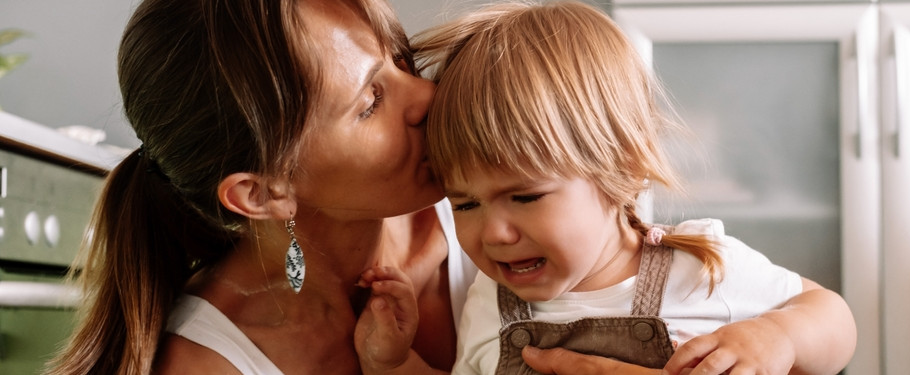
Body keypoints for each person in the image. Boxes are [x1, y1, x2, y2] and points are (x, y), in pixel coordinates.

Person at [354, 1, 856, 375]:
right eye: (464, 203)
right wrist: (392, 362)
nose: (495, 232)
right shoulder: (489, 302)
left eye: (525, 196)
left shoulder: (699, 269)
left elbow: (832, 316)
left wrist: (776, 336)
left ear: (619, 168)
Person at [44, 0, 476, 373]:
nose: (427, 94)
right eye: (370, 104)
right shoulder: (210, 364)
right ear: (265, 193)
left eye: (401, 59)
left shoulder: (498, 194)